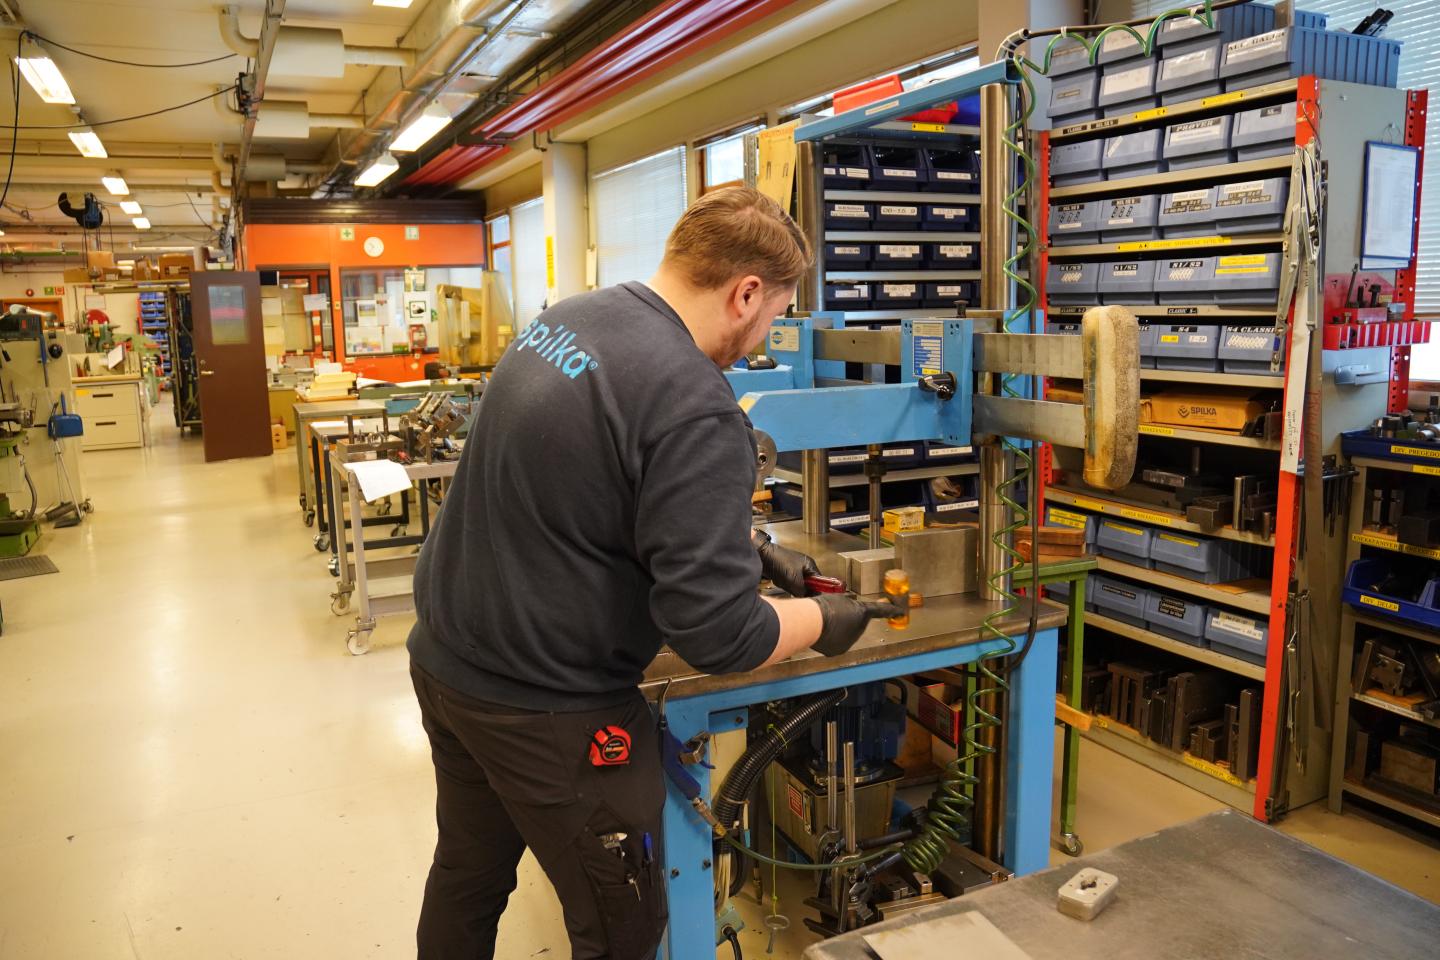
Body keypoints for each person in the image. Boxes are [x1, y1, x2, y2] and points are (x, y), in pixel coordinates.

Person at [407, 185, 902, 960]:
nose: (765, 336)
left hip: (448, 661)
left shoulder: (573, 319)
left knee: (468, 873)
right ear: (745, 293)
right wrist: (823, 622)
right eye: (773, 314)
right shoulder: (696, 403)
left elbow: (587, 482)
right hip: (546, 706)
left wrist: (746, 551)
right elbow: (719, 635)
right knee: (623, 926)